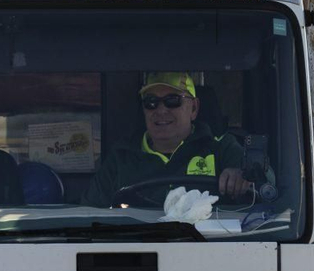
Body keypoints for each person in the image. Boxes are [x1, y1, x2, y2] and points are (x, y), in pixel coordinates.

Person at [84, 72, 255, 206]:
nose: (161, 110)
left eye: (172, 100)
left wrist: (242, 175)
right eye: (151, 102)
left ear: (194, 108)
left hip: (208, 247)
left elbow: (263, 181)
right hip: (138, 247)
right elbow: (90, 212)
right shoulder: (120, 158)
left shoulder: (221, 147)